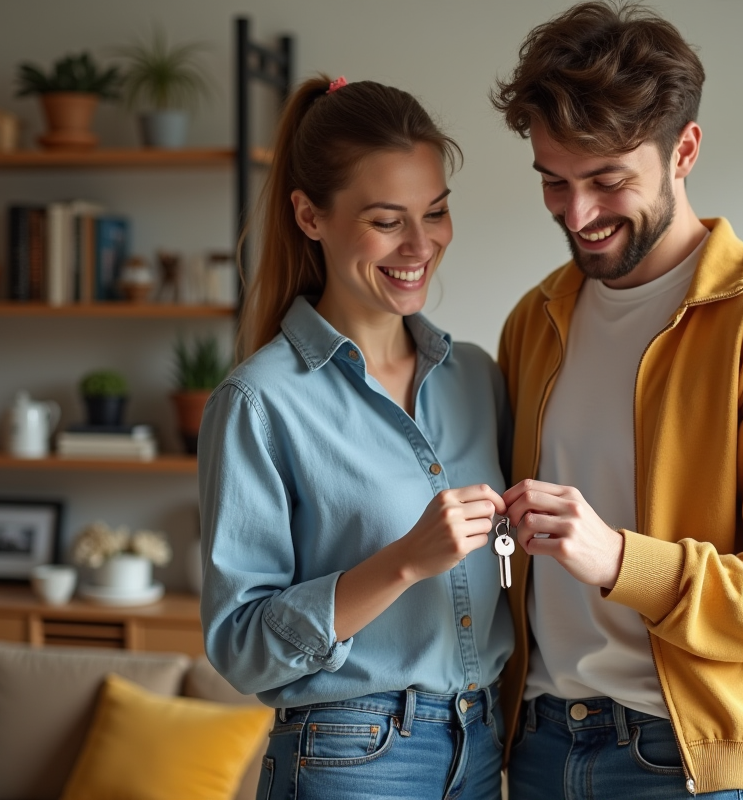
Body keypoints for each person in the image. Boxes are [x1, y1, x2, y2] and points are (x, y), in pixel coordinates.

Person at [489, 4, 743, 799]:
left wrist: (620, 560)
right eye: (555, 181)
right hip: (542, 743)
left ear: (683, 150)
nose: (577, 215)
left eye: (608, 181)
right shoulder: (535, 321)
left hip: (691, 766)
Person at [199, 76, 513, 800]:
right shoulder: (258, 403)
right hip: (350, 757)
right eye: (386, 220)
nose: (420, 244)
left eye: (435, 212)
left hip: (483, 742)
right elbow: (242, 647)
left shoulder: (476, 378)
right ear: (310, 215)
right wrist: (403, 562)